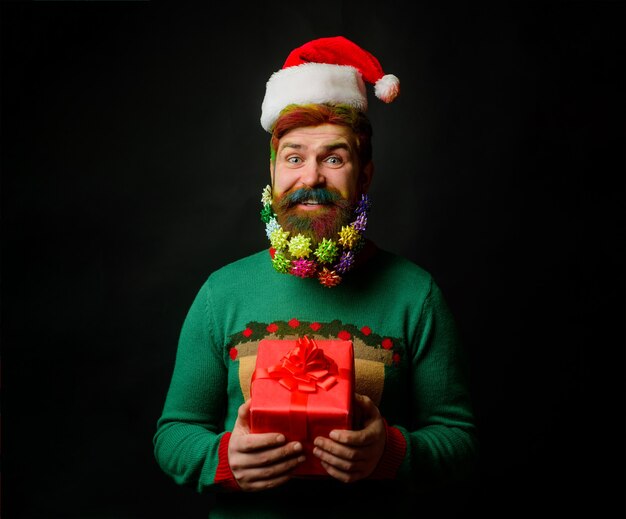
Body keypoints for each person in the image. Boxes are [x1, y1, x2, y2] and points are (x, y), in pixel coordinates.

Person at [153, 36, 478, 518]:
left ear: (364, 175)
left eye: (333, 158)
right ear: (273, 170)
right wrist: (221, 459)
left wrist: (389, 453)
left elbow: (458, 438)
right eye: (294, 157)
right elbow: (174, 432)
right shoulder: (222, 293)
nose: (311, 177)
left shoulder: (415, 294)